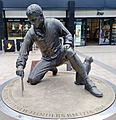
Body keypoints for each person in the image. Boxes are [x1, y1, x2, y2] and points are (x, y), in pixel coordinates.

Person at [16, 4, 103, 97]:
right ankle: (52, 67)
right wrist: (20, 66)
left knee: (69, 52)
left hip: (60, 54)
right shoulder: (31, 33)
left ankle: (88, 82)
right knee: (32, 80)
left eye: (34, 20)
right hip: (47, 59)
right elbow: (23, 49)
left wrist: (67, 44)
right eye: (30, 20)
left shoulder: (54, 23)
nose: (32, 23)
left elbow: (68, 35)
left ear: (41, 16)